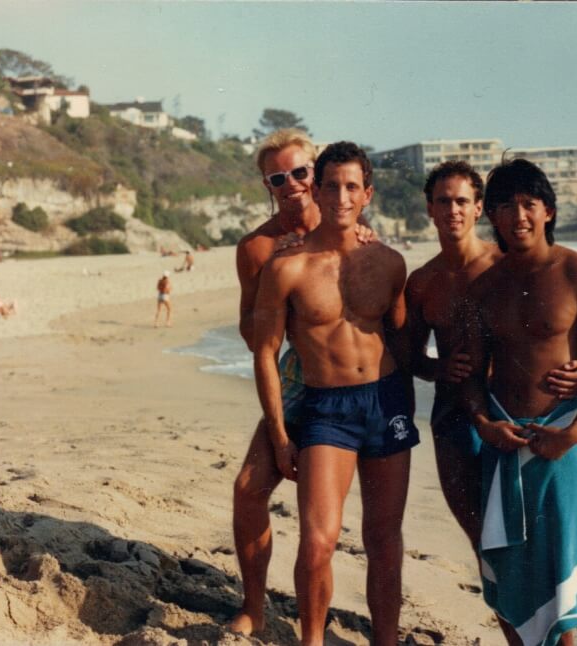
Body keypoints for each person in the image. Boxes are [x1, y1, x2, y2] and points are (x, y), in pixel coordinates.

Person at [253, 141, 416, 645]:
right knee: (319, 541)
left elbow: (404, 338)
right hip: (327, 409)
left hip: (386, 400)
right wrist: (281, 435)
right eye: (331, 186)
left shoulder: (390, 262)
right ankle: (312, 641)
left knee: (384, 541)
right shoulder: (287, 267)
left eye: (352, 187)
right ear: (316, 191)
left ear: (367, 194)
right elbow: (264, 352)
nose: (341, 197)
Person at [462, 159, 577, 646]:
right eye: (506, 206)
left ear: (548, 211)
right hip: (505, 444)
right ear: (491, 214)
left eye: (528, 204)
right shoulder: (484, 288)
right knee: (519, 573)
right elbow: (471, 374)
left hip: (564, 443)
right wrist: (484, 423)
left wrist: (573, 435)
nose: (518, 217)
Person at [405, 161, 577, 550]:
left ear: (479, 209)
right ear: (430, 208)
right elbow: (407, 355)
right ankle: (502, 613)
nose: (452, 210)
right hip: (455, 415)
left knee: (530, 538)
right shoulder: (423, 282)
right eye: (443, 201)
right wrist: (438, 366)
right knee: (484, 539)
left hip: (513, 409)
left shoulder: (507, 264)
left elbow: (557, 326)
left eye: (461, 201)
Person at [229, 129, 373, 636]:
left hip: (354, 384)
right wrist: (278, 276)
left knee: (325, 527)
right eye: (277, 177)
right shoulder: (257, 248)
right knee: (249, 489)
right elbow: (254, 338)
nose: (291, 184)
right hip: (295, 376)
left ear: (317, 172)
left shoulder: (352, 225)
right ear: (266, 184)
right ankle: (254, 606)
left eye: (299, 172)